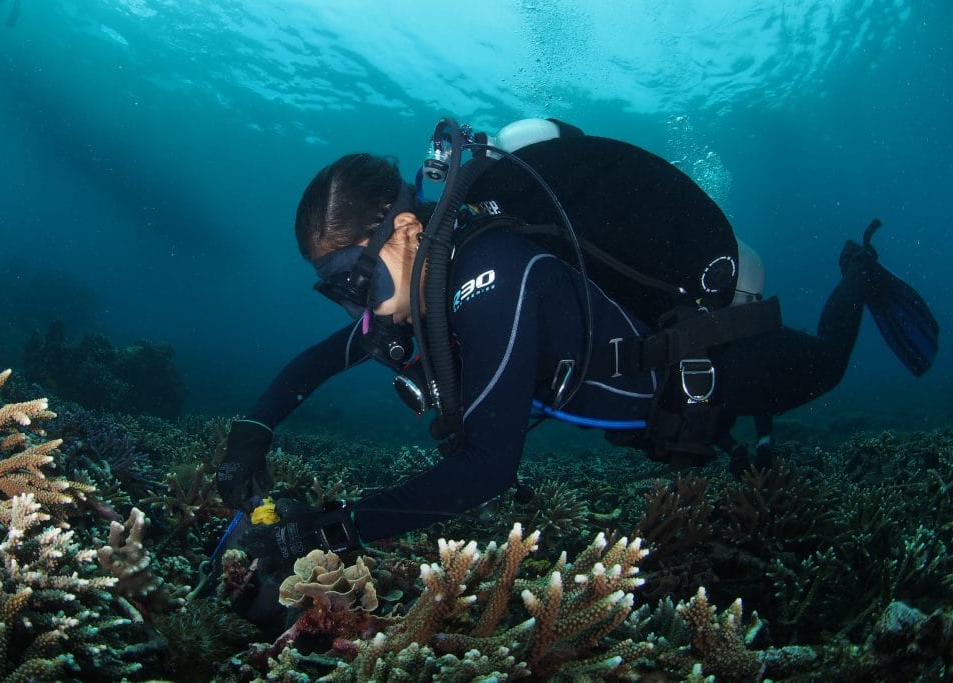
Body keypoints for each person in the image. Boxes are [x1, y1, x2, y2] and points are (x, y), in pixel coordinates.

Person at [217, 118, 937, 593]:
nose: (357, 309)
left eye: (356, 281)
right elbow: (317, 361)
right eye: (335, 291)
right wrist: (252, 435)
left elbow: (486, 469)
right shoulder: (416, 299)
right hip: (658, 421)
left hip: (708, 377)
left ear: (405, 230)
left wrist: (336, 526)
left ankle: (858, 277)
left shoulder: (489, 273)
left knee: (825, 367)